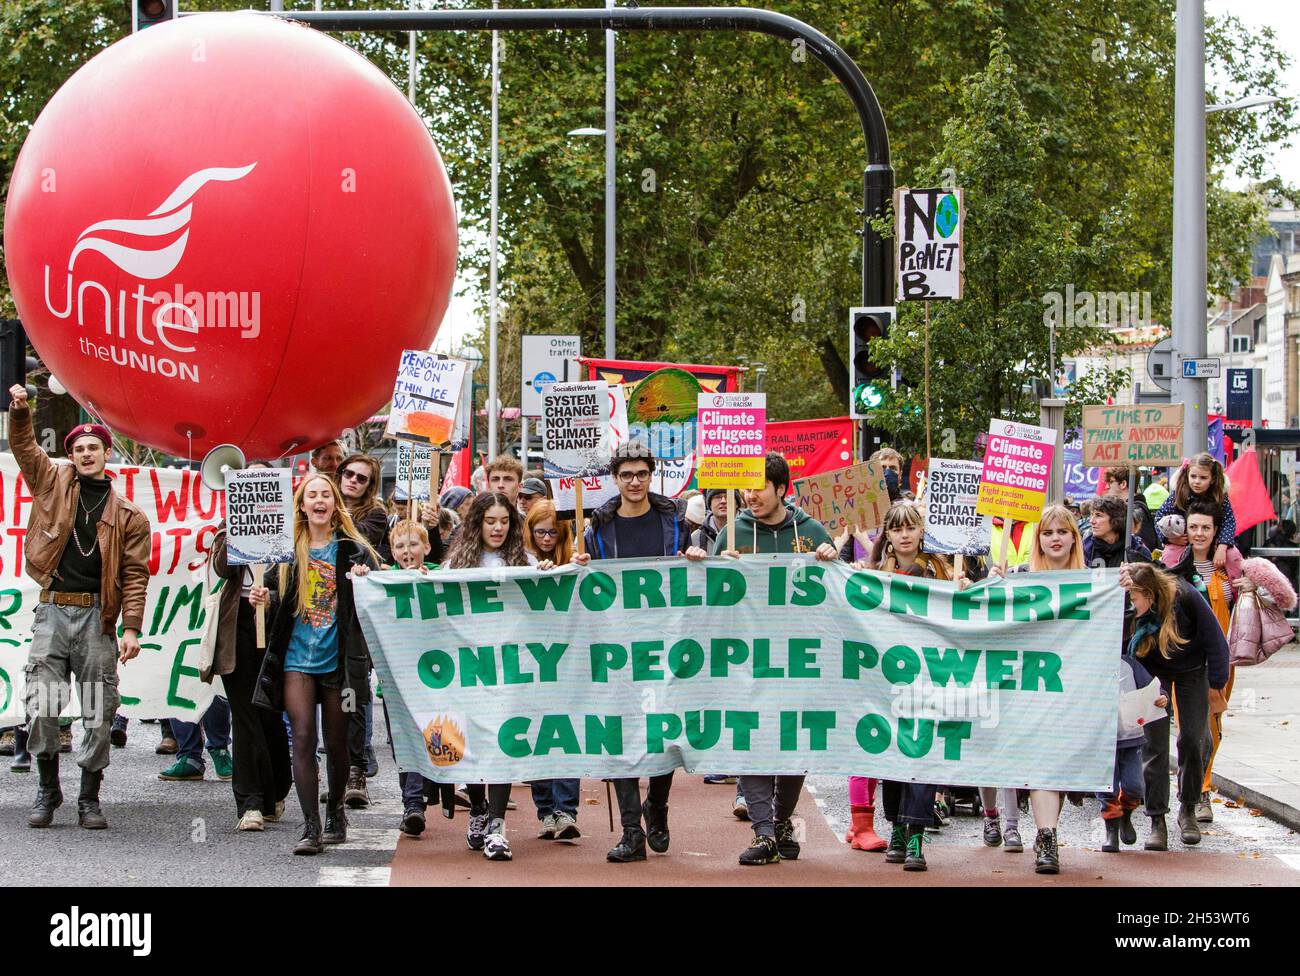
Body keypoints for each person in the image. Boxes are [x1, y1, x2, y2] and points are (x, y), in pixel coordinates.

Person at [9, 386, 151, 830]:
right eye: (78, 449)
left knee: (97, 708)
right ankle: (48, 791)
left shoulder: (129, 515)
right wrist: (19, 412)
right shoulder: (51, 482)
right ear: (70, 455)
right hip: (52, 613)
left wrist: (131, 628)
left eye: (94, 447)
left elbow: (135, 575)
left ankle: (89, 798)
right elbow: (25, 449)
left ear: (107, 454)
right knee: (43, 704)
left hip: (97, 619)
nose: (86, 454)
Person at [577, 442, 708, 862]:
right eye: (626, 475)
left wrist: (693, 557)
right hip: (616, 645)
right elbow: (590, 583)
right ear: (615, 479)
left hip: (664, 645)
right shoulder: (598, 525)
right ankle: (632, 831)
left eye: (641, 474)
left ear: (652, 476)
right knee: (618, 734)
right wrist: (580, 566)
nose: (634, 482)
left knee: (665, 731)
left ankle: (659, 804)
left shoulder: (672, 519)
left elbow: (687, 572)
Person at [716, 452, 838, 865]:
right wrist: (711, 566)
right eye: (746, 487)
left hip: (798, 662)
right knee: (752, 740)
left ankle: (781, 820)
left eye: (759, 487)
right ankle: (764, 832)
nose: (750, 495)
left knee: (792, 744)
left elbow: (840, 592)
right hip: (746, 662)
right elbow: (707, 597)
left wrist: (832, 561)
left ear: (781, 489)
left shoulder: (812, 531)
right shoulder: (732, 534)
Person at [249, 474, 379, 855]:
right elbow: (276, 593)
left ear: (334, 503)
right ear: (302, 506)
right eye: (312, 495)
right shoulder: (287, 550)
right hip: (297, 661)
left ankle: (336, 810)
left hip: (338, 663)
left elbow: (381, 586)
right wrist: (264, 596)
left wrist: (365, 579)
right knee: (303, 738)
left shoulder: (354, 549)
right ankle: (311, 826)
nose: (319, 500)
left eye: (325, 494)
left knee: (336, 745)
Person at [437, 491, 554, 860]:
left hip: (511, 669)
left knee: (504, 740)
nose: (498, 528)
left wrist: (551, 572)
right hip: (470, 668)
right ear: (477, 524)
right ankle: (477, 808)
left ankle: (498, 824)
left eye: (504, 521)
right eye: (491, 521)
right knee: (474, 740)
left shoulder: (527, 560)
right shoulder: (456, 563)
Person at [845, 501, 950, 871]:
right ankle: (898, 827)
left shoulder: (941, 571)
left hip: (929, 677)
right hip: (887, 679)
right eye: (897, 529)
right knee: (892, 755)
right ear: (887, 535)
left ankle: (916, 834)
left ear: (922, 531)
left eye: (911, 528)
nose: (905, 535)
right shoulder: (874, 573)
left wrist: (964, 587)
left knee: (921, 752)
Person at [1120, 562, 1229, 851]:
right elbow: (1118, 647)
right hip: (1151, 673)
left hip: (1192, 668)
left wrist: (1218, 681)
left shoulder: (1184, 596)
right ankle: (1157, 819)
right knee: (1153, 744)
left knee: (1193, 739)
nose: (1130, 604)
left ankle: (1189, 808)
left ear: (1151, 595)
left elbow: (1216, 639)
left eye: (1134, 598)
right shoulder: (1129, 608)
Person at [1008, 503, 1089, 873]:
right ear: (1037, 540)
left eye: (1062, 532)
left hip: (1075, 690)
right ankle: (1047, 838)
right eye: (1047, 533)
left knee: (1058, 765)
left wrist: (1123, 587)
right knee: (1044, 763)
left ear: (1074, 537)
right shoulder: (1019, 577)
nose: (1055, 539)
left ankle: (1047, 834)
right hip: (1032, 688)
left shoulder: (1096, 582)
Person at [1161, 500, 1242, 823]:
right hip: (1186, 663)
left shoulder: (1230, 562)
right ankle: (1198, 793)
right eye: (1193, 527)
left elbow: (1269, 593)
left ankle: (1197, 786)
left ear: (1215, 531)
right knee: (1191, 733)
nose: (1198, 533)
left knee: (1213, 728)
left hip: (1221, 658)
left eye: (1205, 527)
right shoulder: (1170, 560)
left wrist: (1250, 588)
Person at [381, 519, 442, 837]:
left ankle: (422, 796)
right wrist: (367, 578)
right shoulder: (383, 578)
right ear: (392, 551)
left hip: (436, 672)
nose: (407, 551)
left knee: (433, 734)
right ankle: (413, 802)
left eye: (413, 545)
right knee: (403, 739)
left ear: (427, 548)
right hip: (397, 671)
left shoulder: (439, 573)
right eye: (400, 546)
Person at [336, 452, 388, 799]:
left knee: (353, 694)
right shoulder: (319, 504)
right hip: (320, 612)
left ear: (371, 485)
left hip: (355, 618)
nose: (353, 480)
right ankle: (338, 773)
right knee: (329, 697)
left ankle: (357, 770)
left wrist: (323, 514)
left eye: (362, 477)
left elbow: (355, 546)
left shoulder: (375, 515)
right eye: (349, 474)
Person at [1154, 453, 1237, 570]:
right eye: (1193, 476)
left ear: (1212, 479)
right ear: (1187, 475)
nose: (1197, 481)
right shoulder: (1179, 493)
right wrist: (1169, 539)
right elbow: (1159, 518)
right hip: (1183, 542)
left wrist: (1222, 547)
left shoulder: (1220, 496)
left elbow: (1229, 522)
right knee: (1169, 556)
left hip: (1213, 542)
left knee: (1233, 555)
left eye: (1203, 478)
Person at [1083, 494, 1152, 567]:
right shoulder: (1086, 548)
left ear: (1116, 519)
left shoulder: (1137, 551)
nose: (1091, 521)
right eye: (1091, 515)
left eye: (1098, 515)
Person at [1103, 466, 1159, 552]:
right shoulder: (1130, 508)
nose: (1107, 487)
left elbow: (1145, 546)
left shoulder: (1136, 510)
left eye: (1111, 482)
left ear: (1123, 484)